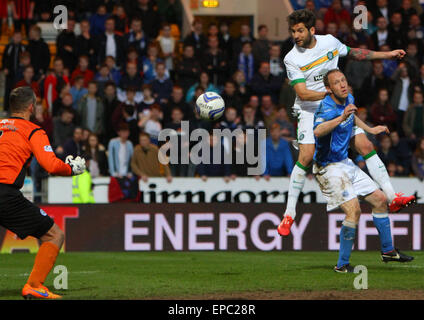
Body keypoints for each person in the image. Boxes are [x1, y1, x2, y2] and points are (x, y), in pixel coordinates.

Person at [278, 9, 415, 237]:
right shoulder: (291, 58)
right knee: (307, 155)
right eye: (293, 31)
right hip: (310, 109)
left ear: (312, 30)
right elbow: (302, 93)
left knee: (365, 146)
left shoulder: (329, 42)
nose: (296, 35)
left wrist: (386, 54)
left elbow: (355, 53)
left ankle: (393, 197)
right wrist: (332, 95)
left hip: (336, 104)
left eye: (300, 30)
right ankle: (289, 213)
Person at [311, 69, 413, 272]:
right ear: (328, 89)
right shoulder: (326, 107)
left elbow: (351, 117)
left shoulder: (348, 97)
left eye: (344, 80)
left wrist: (370, 129)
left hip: (344, 162)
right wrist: (340, 118)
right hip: (328, 168)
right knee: (354, 210)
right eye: (336, 83)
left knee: (380, 200)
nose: (342, 85)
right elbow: (318, 130)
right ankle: (342, 265)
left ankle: (388, 251)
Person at [0, 87, 85, 299]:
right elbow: (51, 165)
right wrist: (72, 169)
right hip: (5, 194)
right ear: (31, 106)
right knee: (55, 235)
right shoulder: (33, 130)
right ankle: (34, 285)